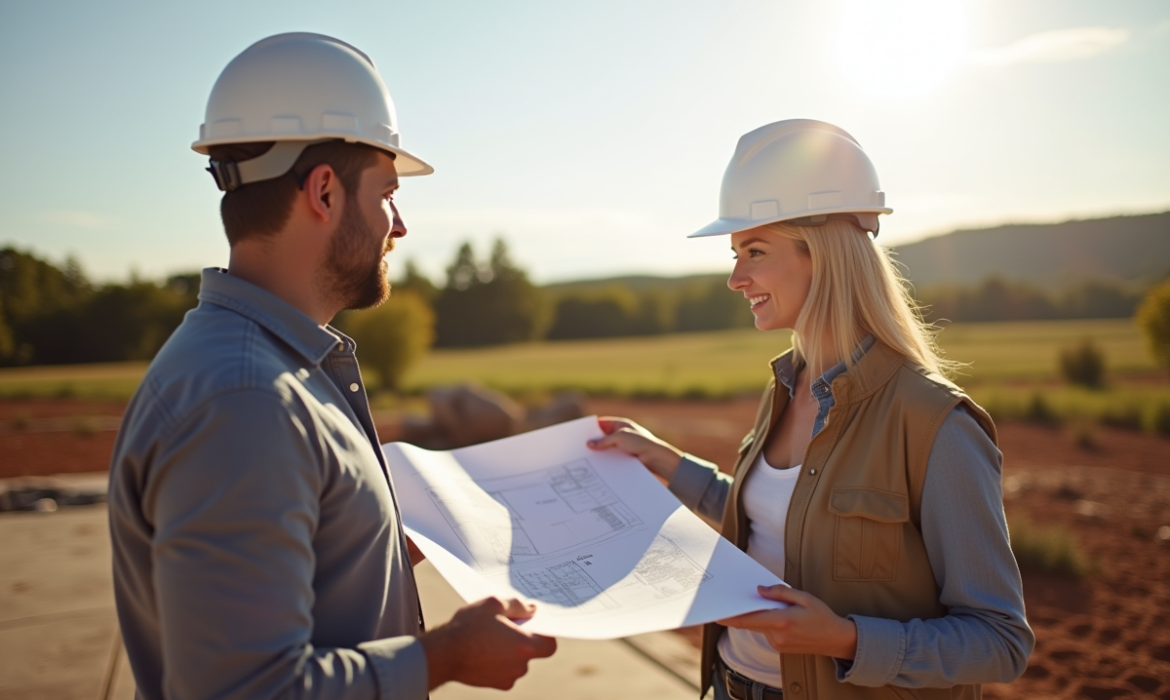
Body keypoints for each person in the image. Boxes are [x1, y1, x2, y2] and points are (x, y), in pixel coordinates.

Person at [107, 33, 555, 700]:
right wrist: (447, 657)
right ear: (323, 191)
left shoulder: (271, 367)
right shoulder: (248, 398)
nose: (397, 225)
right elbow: (245, 690)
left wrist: (375, 545)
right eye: (386, 192)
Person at [588, 119, 1033, 700]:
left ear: (819, 255)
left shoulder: (935, 425)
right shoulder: (784, 387)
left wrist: (845, 639)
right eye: (735, 253)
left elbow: (1000, 642)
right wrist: (666, 462)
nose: (734, 278)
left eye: (754, 250)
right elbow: (785, 527)